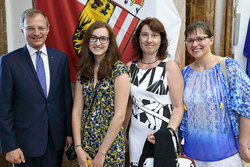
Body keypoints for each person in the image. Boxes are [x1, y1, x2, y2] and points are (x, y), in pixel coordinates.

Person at [0, 8, 73, 166]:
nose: (36, 33)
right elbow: (3, 108)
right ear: (22, 30)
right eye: (30, 28)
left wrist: (69, 132)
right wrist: (10, 145)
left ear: (48, 29)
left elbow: (66, 99)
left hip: (55, 141)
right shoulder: (9, 62)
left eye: (41, 28)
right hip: (23, 144)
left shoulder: (60, 59)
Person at [179, 21, 250, 167]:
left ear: (211, 40)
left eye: (200, 39)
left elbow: (246, 106)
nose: (195, 44)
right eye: (190, 40)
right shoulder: (183, 74)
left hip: (226, 157)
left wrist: (243, 144)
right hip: (191, 156)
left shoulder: (229, 67)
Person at [124, 17, 184, 167]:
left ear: (161, 39)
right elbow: (128, 105)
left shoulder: (170, 67)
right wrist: (122, 133)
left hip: (163, 136)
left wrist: (168, 133)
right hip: (136, 136)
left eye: (154, 35)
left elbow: (178, 107)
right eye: (144, 35)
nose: (149, 40)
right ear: (138, 39)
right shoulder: (129, 68)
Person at [71, 21, 130, 167]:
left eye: (103, 38)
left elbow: (120, 115)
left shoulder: (118, 70)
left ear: (110, 43)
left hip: (110, 146)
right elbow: (77, 112)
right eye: (94, 38)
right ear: (88, 41)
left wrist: (102, 152)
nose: (98, 43)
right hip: (86, 143)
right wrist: (78, 148)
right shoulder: (83, 73)